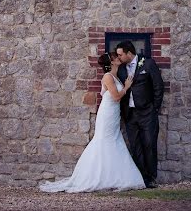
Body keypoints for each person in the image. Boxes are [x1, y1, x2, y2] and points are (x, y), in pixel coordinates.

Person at [39, 52, 145, 193]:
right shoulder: (108, 77)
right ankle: (94, 177)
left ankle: (112, 177)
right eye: (115, 57)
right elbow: (115, 97)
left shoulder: (114, 76)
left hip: (113, 114)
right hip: (107, 114)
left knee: (114, 140)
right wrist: (126, 87)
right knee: (104, 141)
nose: (118, 58)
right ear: (112, 62)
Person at [116, 41, 164, 189]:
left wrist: (154, 108)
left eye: (120, 54)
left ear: (129, 53)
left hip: (147, 113)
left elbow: (158, 86)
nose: (118, 57)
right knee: (135, 146)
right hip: (130, 115)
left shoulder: (148, 64)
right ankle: (141, 177)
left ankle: (151, 177)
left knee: (149, 144)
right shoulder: (121, 68)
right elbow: (106, 69)